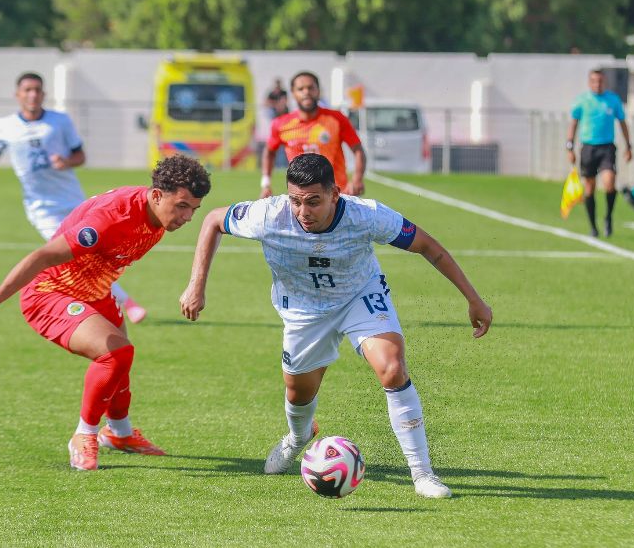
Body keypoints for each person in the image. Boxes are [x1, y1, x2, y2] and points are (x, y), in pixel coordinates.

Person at [180, 153, 493, 499]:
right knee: (299, 394)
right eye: (296, 201)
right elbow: (211, 220)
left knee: (391, 368)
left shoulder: (367, 215)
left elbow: (428, 247)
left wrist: (473, 299)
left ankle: (422, 474)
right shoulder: (267, 215)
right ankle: (298, 438)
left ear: (335, 194)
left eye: (313, 201)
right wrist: (196, 284)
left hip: (359, 296)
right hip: (303, 312)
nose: (303, 212)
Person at [0, 154, 212, 471]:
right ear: (157, 195)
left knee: (122, 359)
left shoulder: (157, 212)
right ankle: (84, 434)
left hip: (95, 291)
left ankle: (119, 433)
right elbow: (43, 255)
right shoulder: (112, 219)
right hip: (51, 292)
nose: (187, 217)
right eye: (182, 206)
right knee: (115, 354)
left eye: (194, 209)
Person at [0, 72, 148, 323]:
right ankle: (127, 305)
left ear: (43, 94)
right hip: (42, 209)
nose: (33, 94)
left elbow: (81, 156)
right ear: (17, 95)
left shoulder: (60, 121)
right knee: (78, 255)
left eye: (37, 90)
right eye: (28, 90)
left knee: (97, 254)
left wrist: (66, 162)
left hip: (74, 201)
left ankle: (103, 303)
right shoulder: (5, 126)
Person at [261, 71, 366, 199]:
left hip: (337, 194)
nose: (306, 92)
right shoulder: (281, 124)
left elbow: (358, 149)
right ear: (293, 93)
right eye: (301, 89)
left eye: (311, 88)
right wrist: (266, 184)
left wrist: (357, 179)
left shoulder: (337, 119)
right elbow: (269, 152)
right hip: (301, 199)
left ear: (318, 91)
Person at [566, 68, 633, 238]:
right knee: (589, 187)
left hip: (607, 147)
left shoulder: (613, 100)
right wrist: (569, 147)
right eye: (594, 81)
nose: (598, 84)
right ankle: (593, 226)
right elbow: (573, 124)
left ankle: (608, 217)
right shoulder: (582, 101)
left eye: (600, 81)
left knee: (609, 182)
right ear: (590, 83)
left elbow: (622, 123)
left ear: (605, 82)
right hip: (588, 148)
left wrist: (628, 145)